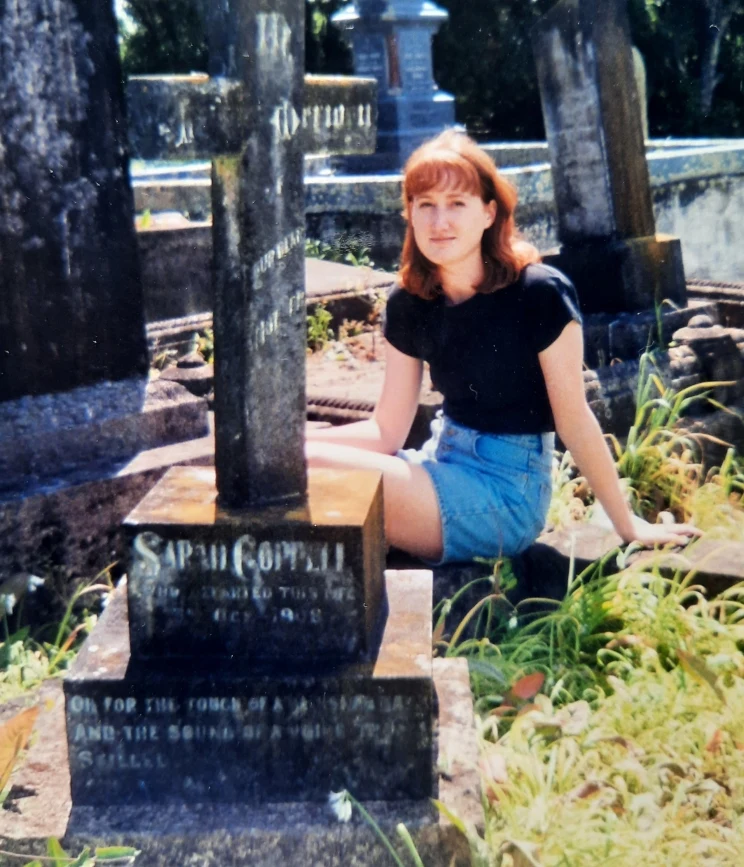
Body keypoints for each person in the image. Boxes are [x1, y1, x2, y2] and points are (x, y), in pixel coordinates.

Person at [306, 131, 699, 564]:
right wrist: (293, 446)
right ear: (410, 215)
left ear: (489, 213)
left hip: (506, 491)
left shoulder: (539, 294)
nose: (441, 222)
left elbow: (574, 419)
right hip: (438, 461)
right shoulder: (410, 302)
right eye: (427, 205)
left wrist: (628, 524)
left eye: (457, 204)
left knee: (314, 475)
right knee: (290, 465)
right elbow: (386, 430)